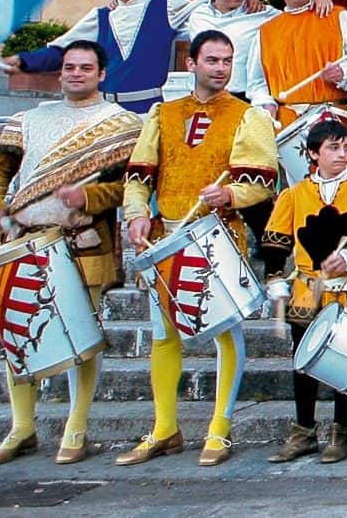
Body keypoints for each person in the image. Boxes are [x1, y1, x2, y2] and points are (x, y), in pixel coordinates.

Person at [117, 30, 279, 467]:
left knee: (224, 331)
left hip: (218, 234)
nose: (221, 68)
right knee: (163, 334)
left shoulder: (248, 116)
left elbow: (263, 180)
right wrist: (135, 214)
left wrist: (232, 197)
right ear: (191, 64)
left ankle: (219, 429)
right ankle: (165, 427)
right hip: (165, 234)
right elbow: (139, 174)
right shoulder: (162, 114)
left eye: (227, 61)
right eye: (212, 60)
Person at [0, 41, 141, 466]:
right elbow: (0, 168)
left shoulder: (123, 124)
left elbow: (132, 186)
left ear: (102, 74)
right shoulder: (28, 119)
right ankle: (22, 427)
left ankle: (77, 426)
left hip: (84, 239)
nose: (76, 73)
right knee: (18, 333)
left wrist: (88, 196)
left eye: (86, 67)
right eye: (69, 67)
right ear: (60, 72)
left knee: (82, 337)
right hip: (21, 238)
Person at [256, 119, 347, 465]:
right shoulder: (295, 194)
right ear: (313, 153)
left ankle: (340, 429)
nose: (342, 154)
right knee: (303, 363)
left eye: (346, 148)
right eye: (333, 148)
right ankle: (303, 431)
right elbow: (275, 240)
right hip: (307, 290)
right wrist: (273, 277)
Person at [5, 0, 199, 113]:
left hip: (149, 109)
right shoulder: (100, 16)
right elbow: (64, 50)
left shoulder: (165, 6)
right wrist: (24, 61)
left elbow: (206, 14)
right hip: (104, 111)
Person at [252, 0, 347, 126]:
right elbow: (257, 82)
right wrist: (266, 104)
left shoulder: (339, 17)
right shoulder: (265, 31)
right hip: (286, 123)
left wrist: (342, 74)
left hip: (332, 118)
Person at [183, 0, 272, 101]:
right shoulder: (198, 16)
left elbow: (293, 16)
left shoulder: (261, 14)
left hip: (243, 97)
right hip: (202, 97)